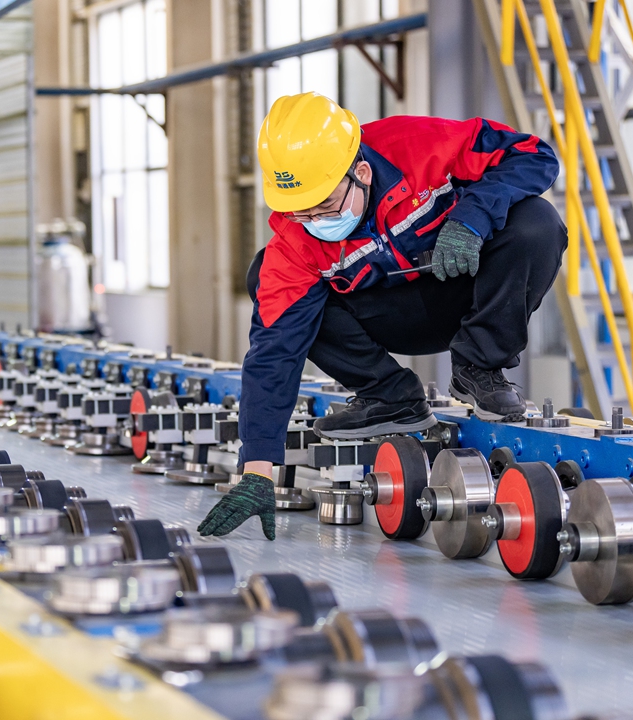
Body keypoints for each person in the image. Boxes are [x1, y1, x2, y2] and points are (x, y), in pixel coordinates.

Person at [198, 92, 563, 541]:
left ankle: (479, 368)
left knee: (537, 222)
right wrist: (257, 469)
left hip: (464, 293)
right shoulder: (295, 242)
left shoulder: (417, 144)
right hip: (388, 318)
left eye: (326, 205)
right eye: (301, 211)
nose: (314, 220)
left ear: (362, 172)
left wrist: (472, 217)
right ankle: (390, 397)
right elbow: (274, 352)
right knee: (264, 278)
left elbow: (533, 156)